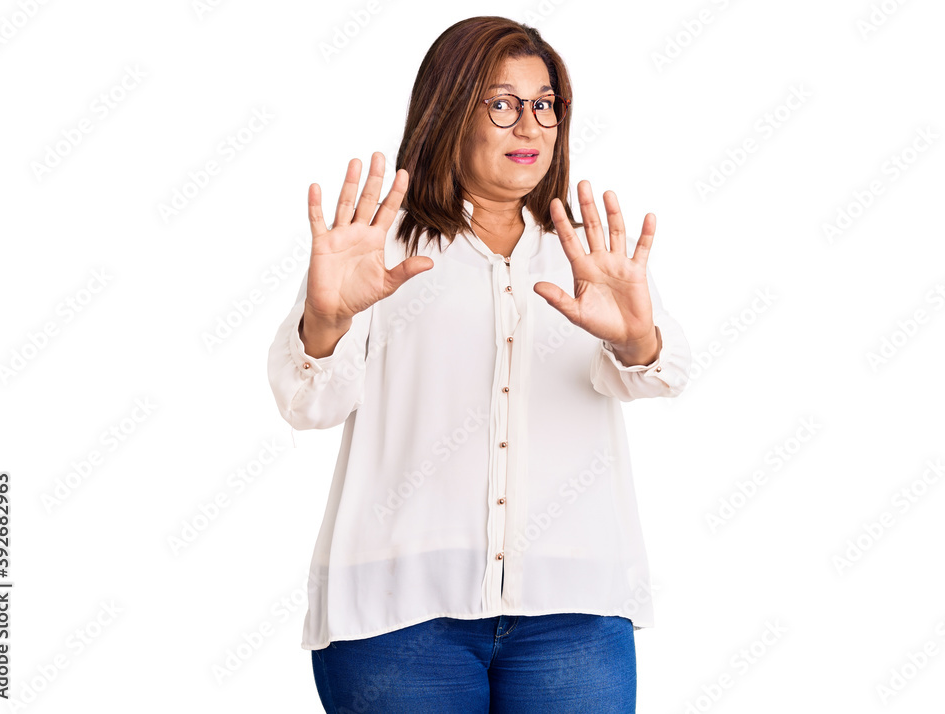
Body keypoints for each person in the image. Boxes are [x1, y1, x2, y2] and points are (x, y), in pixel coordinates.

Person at [266, 15, 692, 713]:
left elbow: (663, 374)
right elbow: (308, 405)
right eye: (501, 102)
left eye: (545, 104)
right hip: (396, 615)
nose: (529, 125)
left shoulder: (586, 256)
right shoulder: (377, 248)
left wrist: (637, 339)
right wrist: (328, 321)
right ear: (448, 111)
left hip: (574, 611)